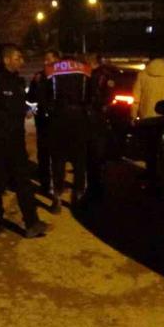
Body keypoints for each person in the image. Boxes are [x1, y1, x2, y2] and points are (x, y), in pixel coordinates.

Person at [0, 44, 48, 238]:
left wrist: (26, 110)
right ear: (6, 60)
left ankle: (32, 223)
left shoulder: (18, 82)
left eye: (22, 58)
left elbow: (17, 105)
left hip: (16, 141)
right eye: (18, 58)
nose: (21, 62)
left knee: (23, 182)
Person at [45, 55, 92, 214]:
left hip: (58, 119)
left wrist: (50, 111)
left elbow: (45, 95)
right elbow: (91, 95)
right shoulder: (85, 69)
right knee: (80, 161)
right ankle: (79, 196)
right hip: (79, 119)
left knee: (57, 160)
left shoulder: (52, 69)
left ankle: (57, 198)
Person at [131, 52, 164, 182]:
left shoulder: (142, 75)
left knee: (149, 147)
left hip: (147, 118)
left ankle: (151, 173)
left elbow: (136, 98)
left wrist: (133, 115)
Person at [26, 49, 60, 196]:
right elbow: (30, 98)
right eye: (44, 60)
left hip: (58, 121)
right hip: (42, 121)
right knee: (43, 152)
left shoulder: (63, 77)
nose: (46, 62)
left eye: (49, 59)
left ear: (57, 60)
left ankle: (57, 185)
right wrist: (31, 109)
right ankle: (45, 184)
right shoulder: (39, 77)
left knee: (57, 154)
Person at [86, 53, 109, 199]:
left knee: (94, 153)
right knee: (97, 153)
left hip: (95, 117)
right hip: (98, 117)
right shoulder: (103, 74)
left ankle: (95, 186)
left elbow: (95, 96)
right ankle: (98, 183)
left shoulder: (96, 75)